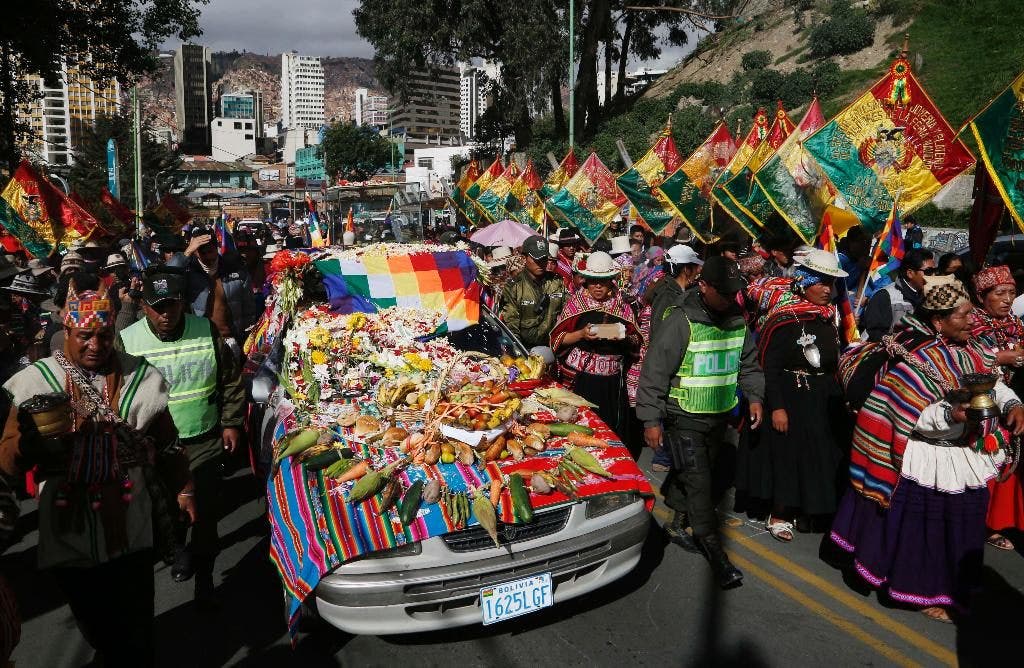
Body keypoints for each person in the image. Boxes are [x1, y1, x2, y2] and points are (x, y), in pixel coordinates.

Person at [0, 283, 191, 665]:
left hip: (131, 520)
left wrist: (184, 491)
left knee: (136, 620)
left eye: (104, 336)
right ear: (66, 333)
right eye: (85, 335)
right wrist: (32, 442)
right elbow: (7, 458)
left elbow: (169, 443)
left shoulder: (141, 377)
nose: (95, 344)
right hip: (69, 525)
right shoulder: (35, 384)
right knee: (93, 619)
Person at [831, 275, 1024, 623]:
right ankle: (923, 591)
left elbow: (993, 385)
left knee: (963, 524)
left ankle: (954, 587)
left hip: (962, 456)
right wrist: (953, 413)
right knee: (928, 529)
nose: (971, 321)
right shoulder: (915, 357)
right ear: (939, 321)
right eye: (963, 316)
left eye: (970, 314)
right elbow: (910, 413)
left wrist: (1012, 405)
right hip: (928, 457)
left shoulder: (970, 352)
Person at [118, 264, 245, 606]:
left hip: (202, 439)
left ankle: (203, 565)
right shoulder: (127, 341)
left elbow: (230, 380)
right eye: (156, 307)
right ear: (144, 306)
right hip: (153, 448)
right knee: (169, 510)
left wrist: (231, 422)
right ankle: (176, 547)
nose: (164, 315)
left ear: (182, 303)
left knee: (203, 508)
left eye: (171, 305)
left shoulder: (205, 330)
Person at [635, 256, 764, 588]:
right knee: (701, 483)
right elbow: (654, 373)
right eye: (723, 291)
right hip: (684, 418)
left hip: (719, 417)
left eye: (734, 292)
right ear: (703, 286)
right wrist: (651, 419)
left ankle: (677, 520)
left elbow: (748, 364)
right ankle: (716, 555)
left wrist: (755, 397)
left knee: (697, 473)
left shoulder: (737, 322)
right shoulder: (680, 321)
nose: (731, 298)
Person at [738, 250, 850, 540]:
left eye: (831, 284)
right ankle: (780, 513)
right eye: (821, 283)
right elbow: (769, 365)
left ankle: (809, 510)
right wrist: (777, 407)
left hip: (822, 397)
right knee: (789, 456)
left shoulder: (829, 317)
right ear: (805, 282)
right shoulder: (783, 320)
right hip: (791, 395)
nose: (827, 290)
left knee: (820, 456)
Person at [550, 251, 641, 434]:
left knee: (610, 430)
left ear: (611, 281)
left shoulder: (622, 306)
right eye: (592, 281)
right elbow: (558, 339)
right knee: (581, 427)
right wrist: (581, 334)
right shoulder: (576, 304)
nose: (597, 286)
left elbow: (636, 341)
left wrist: (624, 338)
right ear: (586, 280)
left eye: (604, 281)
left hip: (612, 383)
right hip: (582, 380)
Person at [966, 265, 1024, 551]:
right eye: (999, 293)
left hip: (1008, 405)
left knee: (1005, 463)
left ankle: (994, 524)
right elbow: (964, 359)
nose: (1007, 299)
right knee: (979, 464)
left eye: (1012, 293)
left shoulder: (1015, 323)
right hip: (977, 407)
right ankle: (972, 522)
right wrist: (1001, 357)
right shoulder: (968, 322)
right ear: (981, 295)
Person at [183, 227, 258, 357]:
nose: (208, 253)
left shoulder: (236, 270)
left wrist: (246, 339)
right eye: (202, 250)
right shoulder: (188, 272)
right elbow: (168, 277)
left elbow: (249, 309)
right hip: (200, 342)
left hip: (230, 341)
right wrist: (187, 252)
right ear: (195, 251)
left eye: (210, 248)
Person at [499, 236, 568, 349]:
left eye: (544, 258)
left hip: (553, 346)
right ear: (524, 258)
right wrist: (519, 352)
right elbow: (511, 323)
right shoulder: (514, 286)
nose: (541, 263)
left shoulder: (557, 282)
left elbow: (568, 310)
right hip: (526, 349)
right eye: (536, 259)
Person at [859, 249, 936, 341]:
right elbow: (875, 334)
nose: (933, 276)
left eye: (935, 271)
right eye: (928, 272)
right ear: (910, 273)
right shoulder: (885, 296)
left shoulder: (928, 297)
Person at [648, 244, 703, 340]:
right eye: (695, 267)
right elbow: (659, 334)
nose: (697, 271)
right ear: (686, 269)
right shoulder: (667, 295)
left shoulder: (683, 290)